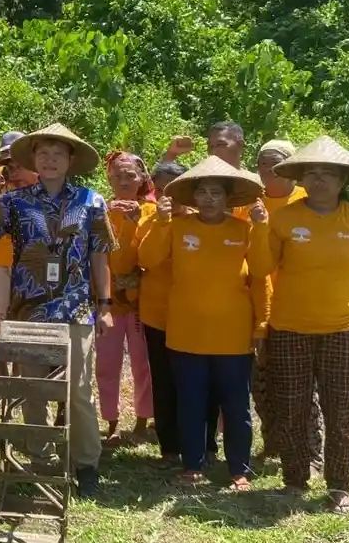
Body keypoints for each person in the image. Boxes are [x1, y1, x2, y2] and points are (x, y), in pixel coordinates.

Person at [0, 122, 114, 497]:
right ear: (33, 159)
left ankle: (86, 465)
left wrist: (105, 304)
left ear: (71, 160)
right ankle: (40, 458)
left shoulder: (91, 201)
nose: (50, 161)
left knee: (80, 391)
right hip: (28, 311)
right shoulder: (14, 202)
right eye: (43, 154)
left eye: (58, 154)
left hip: (76, 309)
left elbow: (100, 257)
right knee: (32, 388)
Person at [139, 157, 272, 489]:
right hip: (185, 333)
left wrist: (263, 228)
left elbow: (261, 271)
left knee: (236, 406)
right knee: (191, 402)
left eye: (216, 192)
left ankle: (238, 469)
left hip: (233, 335)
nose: (209, 198)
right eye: (203, 192)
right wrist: (161, 222)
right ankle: (192, 465)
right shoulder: (178, 226)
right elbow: (148, 260)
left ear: (229, 199)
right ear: (193, 197)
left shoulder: (244, 229)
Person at [267, 136, 349, 514]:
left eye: (328, 174)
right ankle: (295, 481)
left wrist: (339, 301)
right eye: (311, 173)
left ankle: (339, 486)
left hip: (342, 330)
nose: (319, 180)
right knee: (292, 408)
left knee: (340, 411)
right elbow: (265, 266)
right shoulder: (283, 218)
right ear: (301, 179)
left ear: (342, 181)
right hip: (288, 328)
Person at [251, 138, 321, 463]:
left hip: (297, 308)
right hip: (257, 307)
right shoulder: (249, 203)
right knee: (262, 384)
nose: (268, 168)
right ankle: (274, 442)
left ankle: (311, 448)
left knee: (302, 385)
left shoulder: (307, 202)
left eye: (276, 161)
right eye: (263, 161)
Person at [131, 160, 191, 465]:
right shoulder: (150, 220)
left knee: (192, 382)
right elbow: (147, 259)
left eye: (176, 188)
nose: (170, 195)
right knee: (164, 381)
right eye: (163, 189)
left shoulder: (198, 220)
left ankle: (199, 447)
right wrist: (164, 223)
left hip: (193, 315)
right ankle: (169, 449)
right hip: (157, 314)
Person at [98, 151, 155, 444]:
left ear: (143, 178)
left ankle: (144, 422)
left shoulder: (153, 212)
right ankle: (111, 422)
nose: (124, 180)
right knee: (106, 364)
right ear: (109, 177)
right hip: (108, 298)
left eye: (130, 175)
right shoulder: (100, 210)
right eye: (118, 175)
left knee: (142, 362)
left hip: (141, 301)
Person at [0, 132, 36, 379]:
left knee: (25, 319)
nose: (13, 170)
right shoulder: (3, 193)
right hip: (1, 258)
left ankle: (21, 369)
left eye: (18, 164)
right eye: (9, 165)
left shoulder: (46, 193)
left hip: (32, 264)